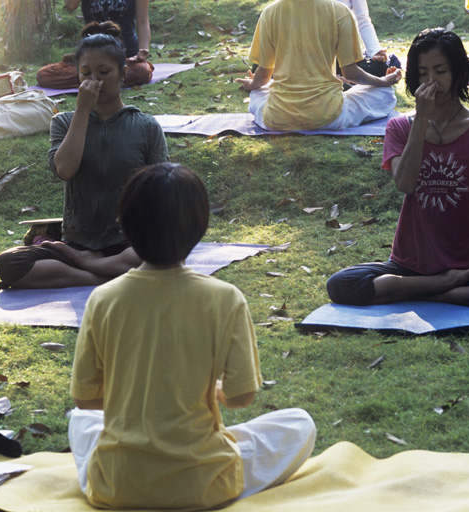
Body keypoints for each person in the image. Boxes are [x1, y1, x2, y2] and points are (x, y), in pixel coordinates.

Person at [68, 163, 315, 509]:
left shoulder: (103, 299)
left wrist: (139, 398)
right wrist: (207, 392)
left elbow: (86, 400)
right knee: (299, 424)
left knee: (81, 422)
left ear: (125, 224)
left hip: (118, 484)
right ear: (200, 227)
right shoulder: (225, 298)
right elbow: (241, 396)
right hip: (203, 484)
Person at [326, 28, 469, 309]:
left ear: (458, 72)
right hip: (410, 265)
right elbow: (406, 184)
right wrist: (421, 119)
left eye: (440, 71)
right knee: (341, 284)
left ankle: (419, 292)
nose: (431, 81)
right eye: (423, 73)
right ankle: (443, 285)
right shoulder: (400, 128)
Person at [0, 22, 167, 289]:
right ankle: (99, 274)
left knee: (159, 252)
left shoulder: (145, 126)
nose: (94, 80)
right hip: (76, 243)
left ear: (122, 75)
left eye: (104, 72)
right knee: (9, 263)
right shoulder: (64, 122)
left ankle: (93, 267)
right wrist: (83, 111)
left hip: (127, 243)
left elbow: (162, 191)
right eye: (86, 73)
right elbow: (64, 170)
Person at [237, 0, 400, 131]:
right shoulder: (339, 11)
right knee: (386, 94)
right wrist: (383, 81)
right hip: (328, 116)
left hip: (278, 118)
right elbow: (352, 73)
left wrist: (251, 84)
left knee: (258, 92)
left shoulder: (270, 12)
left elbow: (263, 77)